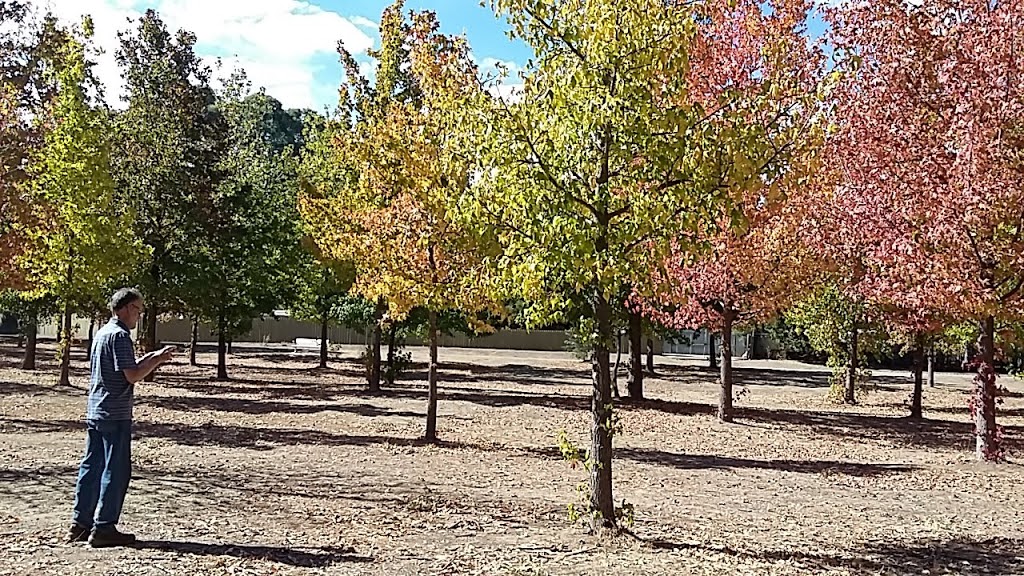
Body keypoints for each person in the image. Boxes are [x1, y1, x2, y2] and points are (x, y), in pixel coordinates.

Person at [66, 288, 174, 547]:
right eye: (137, 308)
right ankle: (104, 528)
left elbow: (125, 367)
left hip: (96, 410)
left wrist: (150, 358)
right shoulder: (121, 336)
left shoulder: (102, 333)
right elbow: (132, 375)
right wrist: (157, 361)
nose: (139, 314)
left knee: (91, 467)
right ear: (125, 308)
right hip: (115, 413)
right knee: (116, 470)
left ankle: (80, 524)